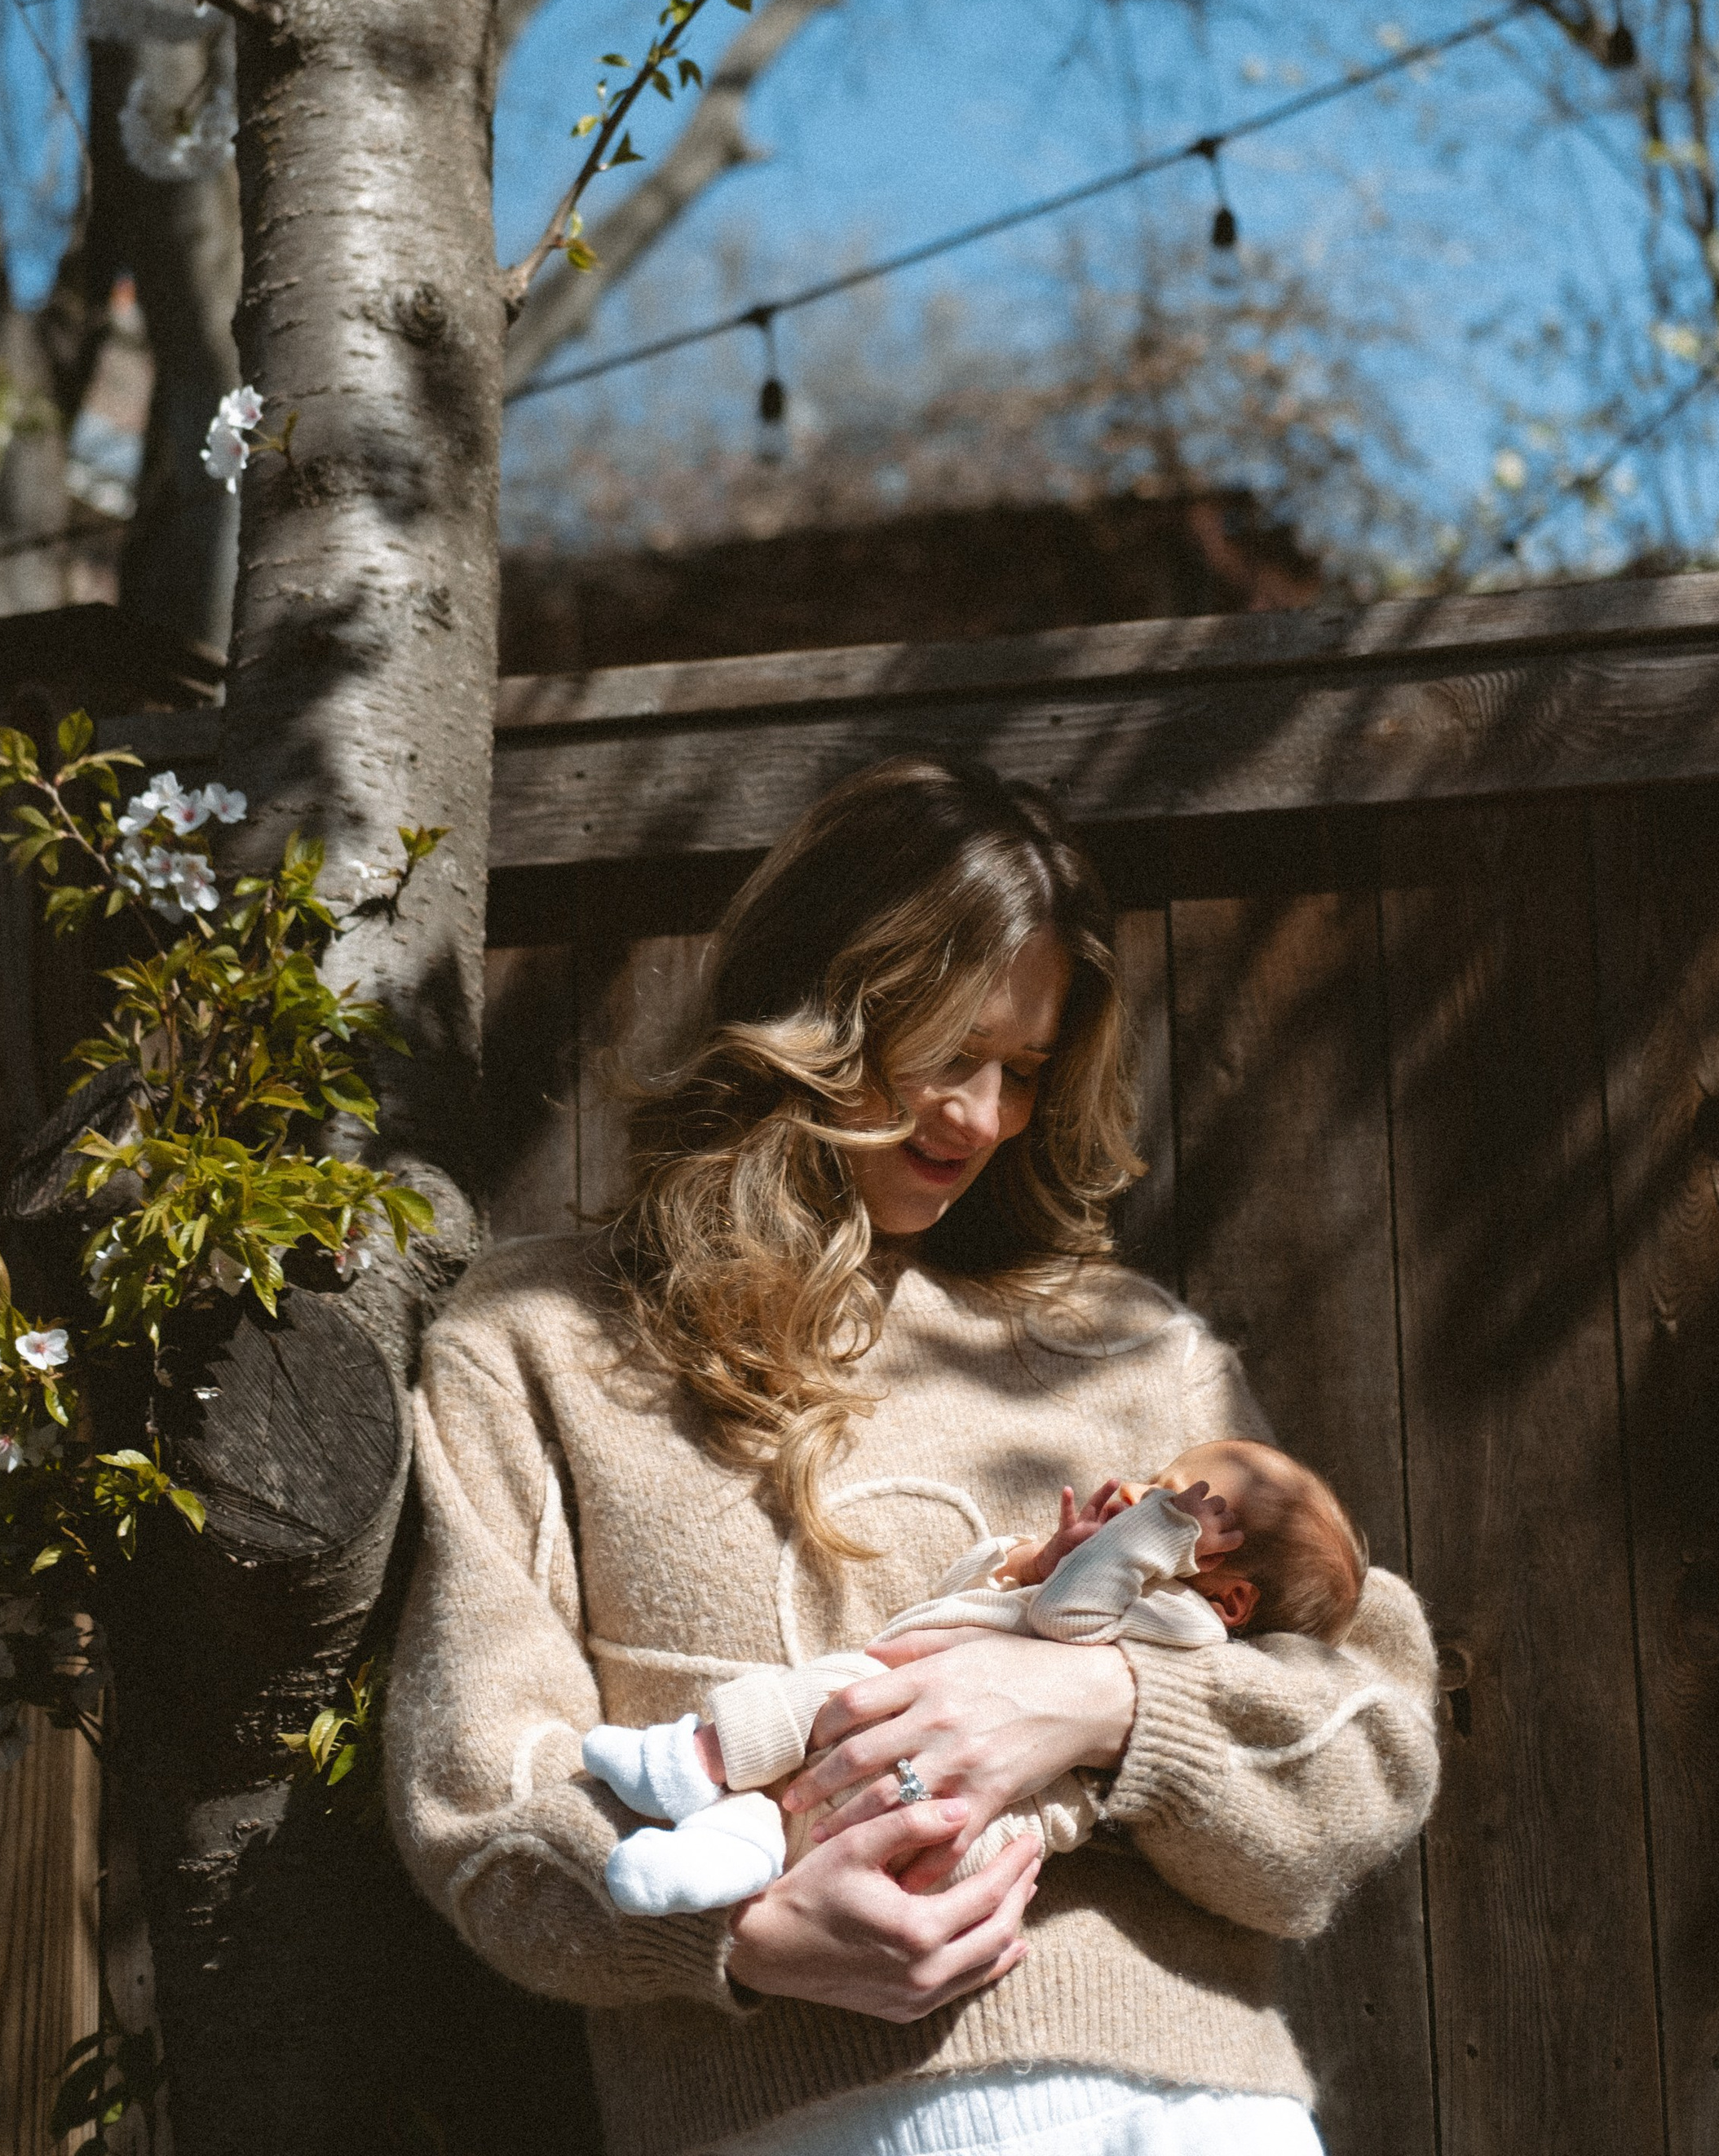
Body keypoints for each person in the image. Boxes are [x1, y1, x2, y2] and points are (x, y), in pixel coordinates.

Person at [387, 756, 1440, 2156]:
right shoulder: (536, 1345)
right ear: (814, 1015)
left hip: (1189, 2114)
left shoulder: (1135, 1354)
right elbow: (480, 1790)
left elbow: (1367, 1730)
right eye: (949, 1054)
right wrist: (745, 1935)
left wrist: (1113, 1710)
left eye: (1024, 1072)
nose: (984, 1121)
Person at [581, 1438, 1368, 1916]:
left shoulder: (1188, 1630)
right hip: (918, 1741)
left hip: (987, 1812)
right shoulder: (1129, 1583)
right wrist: (1037, 1562)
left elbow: (1064, 1623)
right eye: (1155, 1484)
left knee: (823, 1699)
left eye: (1180, 1508)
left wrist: (1134, 1544)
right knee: (827, 1734)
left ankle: (694, 1764)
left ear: (1231, 1599)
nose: (1140, 1500)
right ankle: (733, 1841)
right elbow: (961, 1602)